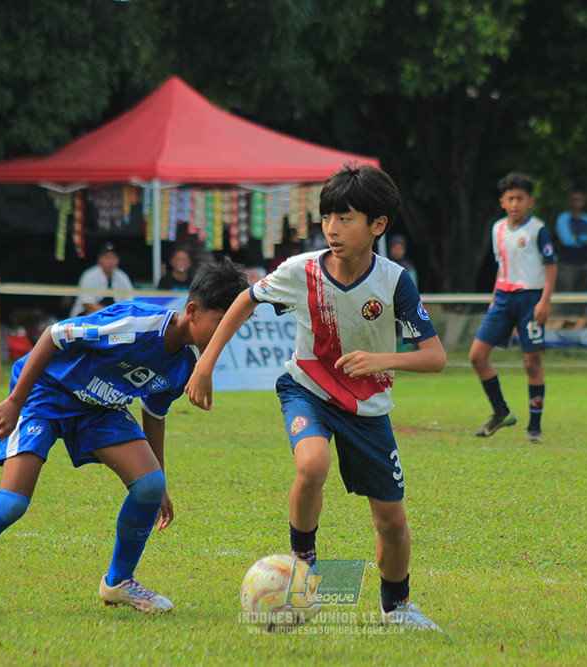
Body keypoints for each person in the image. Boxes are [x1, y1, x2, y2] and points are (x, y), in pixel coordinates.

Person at [185, 165, 447, 630]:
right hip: (307, 387)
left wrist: (382, 360)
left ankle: (397, 607)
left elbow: (435, 357)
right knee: (311, 465)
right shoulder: (301, 271)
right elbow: (247, 299)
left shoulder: (394, 282)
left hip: (367, 409)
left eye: (346, 218)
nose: (332, 228)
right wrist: (206, 363)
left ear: (378, 226)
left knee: (391, 520)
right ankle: (303, 565)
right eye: (327, 217)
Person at [0, 259, 249, 614]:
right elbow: (53, 336)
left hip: (99, 407)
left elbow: (154, 412)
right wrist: (15, 400)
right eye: (221, 324)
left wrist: (161, 478)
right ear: (194, 311)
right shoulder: (135, 324)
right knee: (12, 504)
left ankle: (119, 582)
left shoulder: (185, 364)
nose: (225, 337)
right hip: (46, 393)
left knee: (149, 487)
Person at [469, 173, 556, 443]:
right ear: (502, 202)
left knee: (532, 362)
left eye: (520, 198)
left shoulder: (538, 230)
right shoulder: (498, 229)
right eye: (511, 198)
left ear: (529, 201)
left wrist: (545, 301)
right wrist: (495, 297)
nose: (515, 203)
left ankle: (534, 426)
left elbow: (551, 266)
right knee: (477, 356)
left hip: (531, 299)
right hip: (504, 299)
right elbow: (502, 266)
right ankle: (501, 412)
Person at [553, 190, 587, 317]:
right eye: (574, 199)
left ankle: (577, 322)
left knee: (582, 295)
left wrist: (577, 238)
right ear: (569, 202)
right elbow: (567, 240)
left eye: (579, 199)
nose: (576, 202)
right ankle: (561, 320)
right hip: (568, 262)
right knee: (565, 293)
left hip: (585, 262)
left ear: (583, 202)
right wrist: (583, 240)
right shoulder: (563, 218)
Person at [70, 242, 135, 317]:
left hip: (115, 315)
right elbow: (88, 304)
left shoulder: (122, 276)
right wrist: (109, 313)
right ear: (99, 259)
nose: (110, 262)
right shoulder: (89, 275)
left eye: (113, 258)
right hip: (91, 316)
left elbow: (129, 301)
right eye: (106, 258)